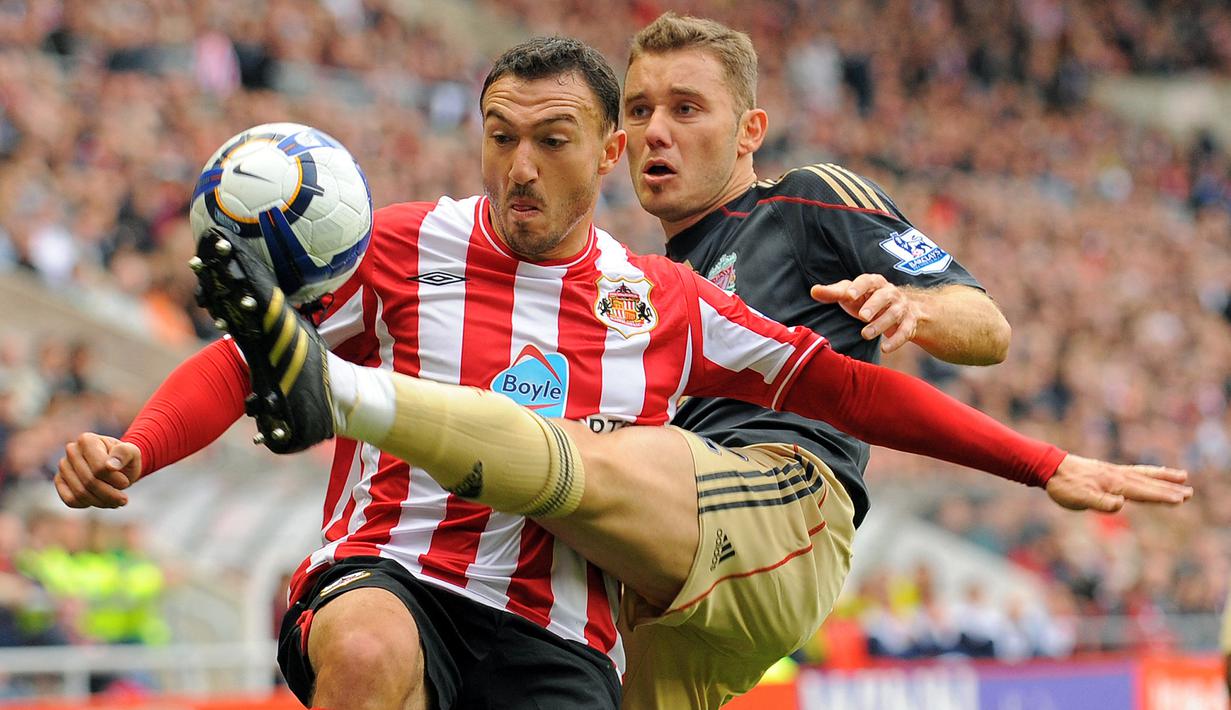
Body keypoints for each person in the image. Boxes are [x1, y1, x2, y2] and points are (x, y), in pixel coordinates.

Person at [57, 34, 1191, 710]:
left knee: (601, 462)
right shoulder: (409, 245)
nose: (519, 164)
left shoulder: (668, 300)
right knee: (364, 646)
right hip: (395, 573)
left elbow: (855, 388)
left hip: (575, 620)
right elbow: (242, 353)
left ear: (600, 156)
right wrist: (138, 446)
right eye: (500, 134)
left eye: (552, 138)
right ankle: (344, 400)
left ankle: (357, 405)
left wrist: (1040, 460)